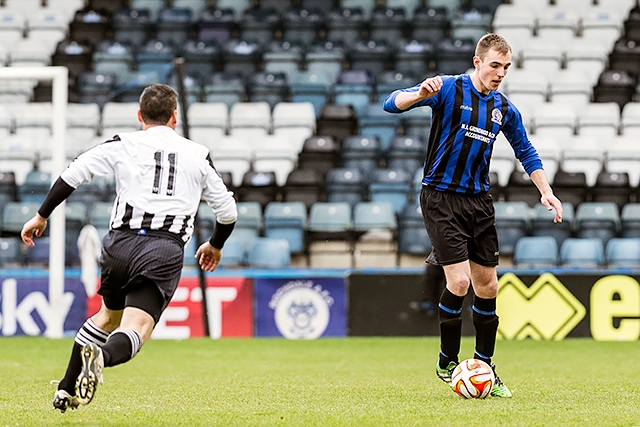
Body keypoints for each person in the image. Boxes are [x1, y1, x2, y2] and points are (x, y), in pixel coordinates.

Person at [21, 84, 238, 412]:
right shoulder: (197, 153)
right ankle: (101, 358)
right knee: (136, 327)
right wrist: (215, 244)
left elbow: (73, 173)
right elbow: (228, 212)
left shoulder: (123, 143)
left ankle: (66, 388)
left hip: (120, 245)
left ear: (140, 116)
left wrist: (41, 215)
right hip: (162, 249)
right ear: (175, 117)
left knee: (107, 316)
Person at [383, 33, 563, 398]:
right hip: (440, 197)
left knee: (489, 286)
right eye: (495, 65)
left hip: (479, 201)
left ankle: (485, 366)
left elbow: (525, 151)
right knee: (460, 282)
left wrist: (546, 191)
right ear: (478, 61)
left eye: (506, 67)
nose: (500, 73)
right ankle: (448, 360)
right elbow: (391, 103)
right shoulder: (448, 88)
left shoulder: (503, 107)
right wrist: (419, 94)